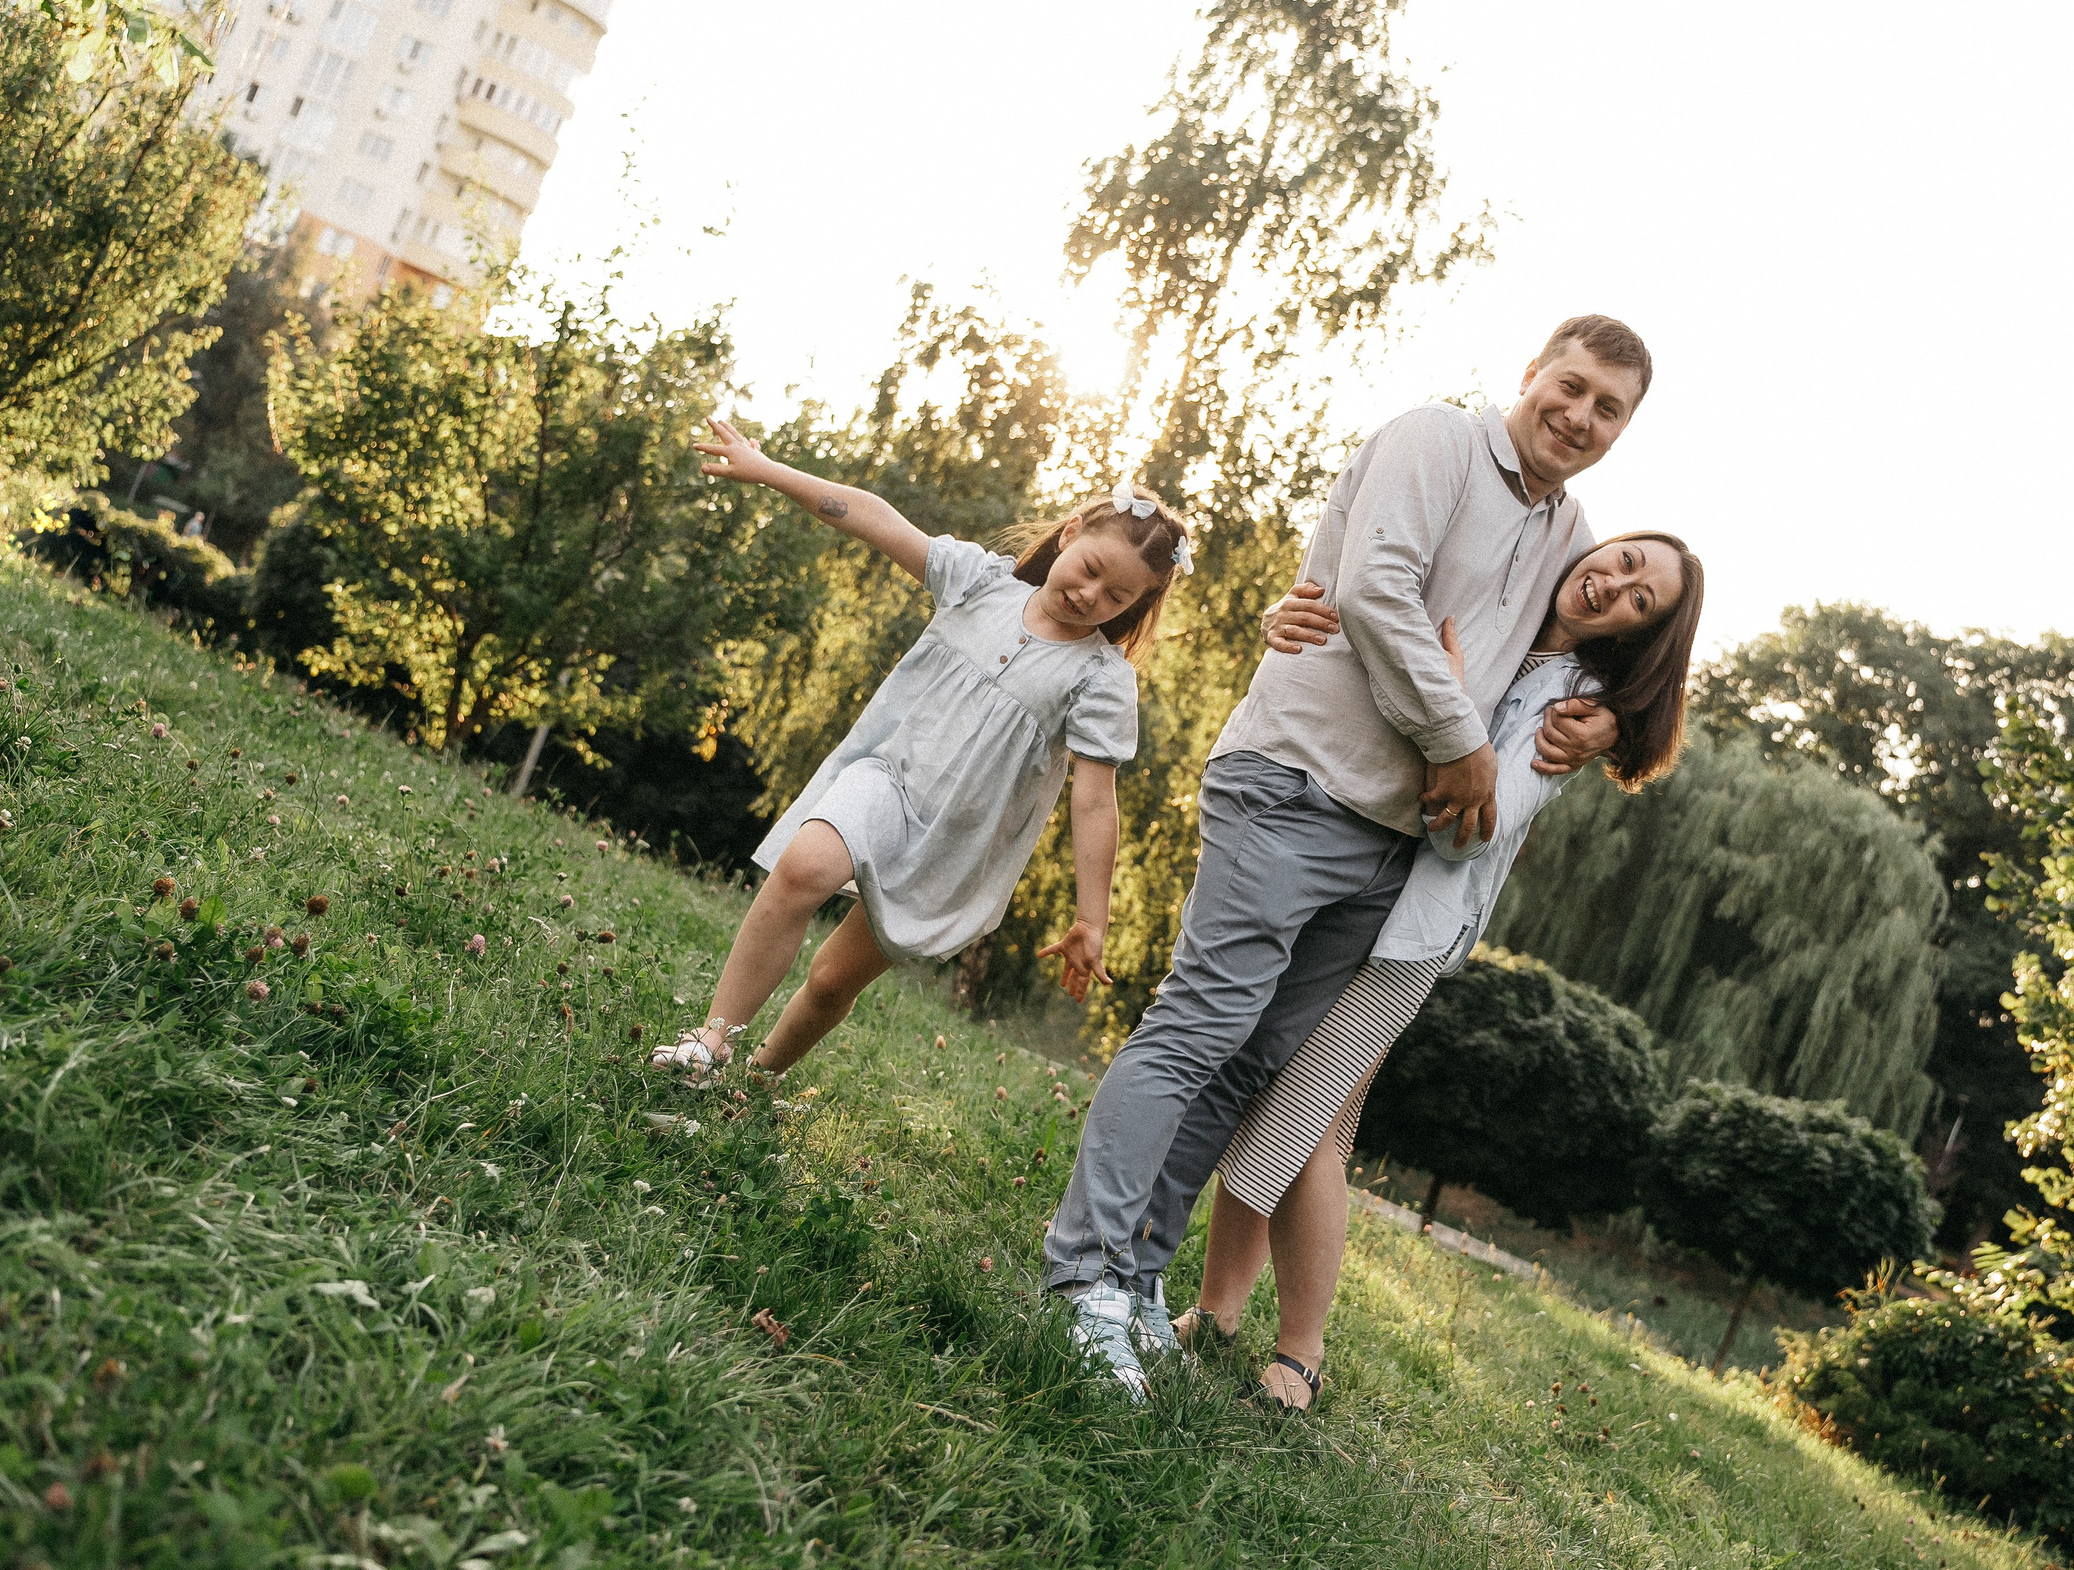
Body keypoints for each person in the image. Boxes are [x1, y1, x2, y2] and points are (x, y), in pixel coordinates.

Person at [1042, 315, 1656, 1399]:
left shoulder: (1571, 531)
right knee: (1199, 1029)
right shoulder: (1435, 441)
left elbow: (1614, 640)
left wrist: (1611, 725)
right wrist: (1461, 747)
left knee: (1249, 1066)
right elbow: (1372, 590)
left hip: (1389, 843)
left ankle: (1138, 1277)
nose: (1579, 416)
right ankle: (1079, 1282)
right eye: (1569, 387)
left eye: (1608, 408)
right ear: (1530, 372)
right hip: (1294, 781)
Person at [1182, 529, 1704, 1407]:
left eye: (1640, 601)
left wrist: (1454, 706)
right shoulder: (1505, 601)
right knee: (1285, 1096)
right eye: (1622, 561)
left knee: (1304, 1119)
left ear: (1637, 638)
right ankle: (1220, 1311)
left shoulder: (1572, 701)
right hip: (1348, 876)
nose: (1613, 587)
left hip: (1407, 928)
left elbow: (1480, 823)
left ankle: (1299, 1353)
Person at [650, 419, 1191, 1082]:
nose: (1090, 595)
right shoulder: (979, 584)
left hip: (952, 846)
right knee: (803, 868)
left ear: (1138, 603)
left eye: (1118, 596)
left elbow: (1094, 799)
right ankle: (711, 1042)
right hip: (885, 778)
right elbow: (878, 520)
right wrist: (768, 469)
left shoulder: (1100, 678)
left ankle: (762, 1077)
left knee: (828, 981)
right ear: (1072, 534)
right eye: (1091, 571)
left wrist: (1091, 916)